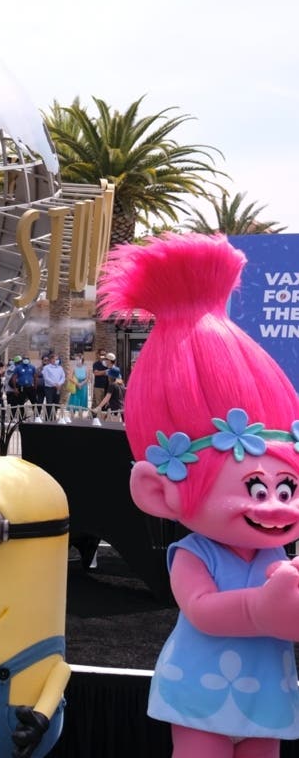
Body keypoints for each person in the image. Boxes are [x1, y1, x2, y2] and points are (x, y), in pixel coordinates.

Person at [100, 233, 299, 756]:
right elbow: (202, 609)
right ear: (158, 492)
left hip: (266, 698)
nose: (275, 503)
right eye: (256, 486)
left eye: (287, 487)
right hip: (200, 694)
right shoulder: (194, 553)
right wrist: (262, 611)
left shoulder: (278, 555)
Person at [41, 352, 65, 421]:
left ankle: (53, 417)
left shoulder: (60, 368)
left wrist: (59, 384)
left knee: (56, 403)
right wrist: (54, 384)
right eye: (56, 359)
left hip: (58, 388)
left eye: (57, 359)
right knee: (49, 403)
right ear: (51, 359)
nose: (57, 360)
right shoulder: (46, 368)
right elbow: (46, 378)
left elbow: (63, 377)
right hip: (49, 388)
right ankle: (48, 419)